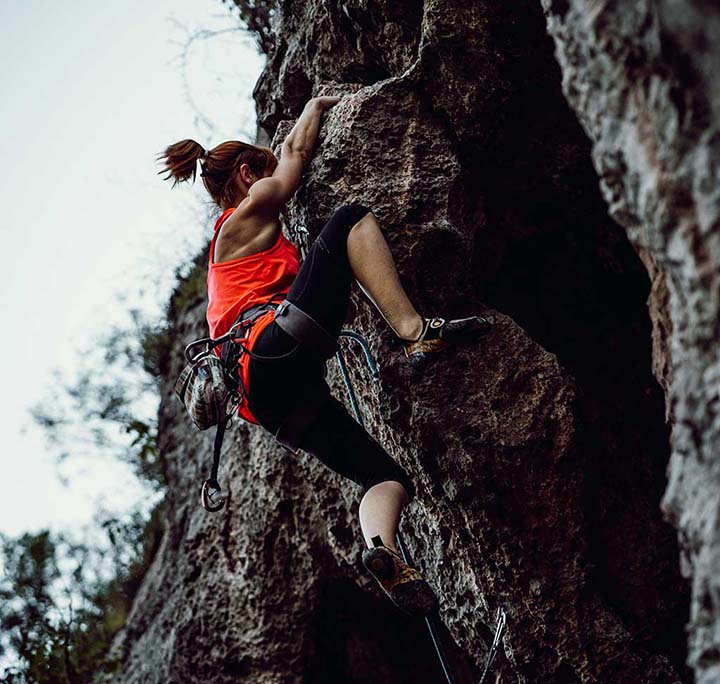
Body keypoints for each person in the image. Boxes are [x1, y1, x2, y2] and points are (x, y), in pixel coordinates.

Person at [157, 95, 489, 616]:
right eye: (258, 170)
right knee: (350, 220)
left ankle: (382, 550)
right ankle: (414, 330)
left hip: (272, 404)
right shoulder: (249, 209)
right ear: (246, 175)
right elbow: (292, 157)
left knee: (385, 479)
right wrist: (317, 104)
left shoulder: (227, 258)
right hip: (272, 349)